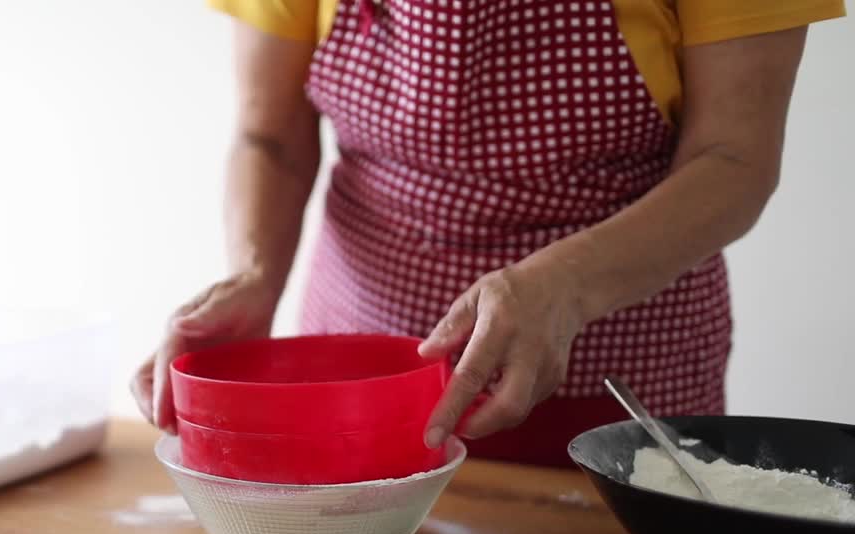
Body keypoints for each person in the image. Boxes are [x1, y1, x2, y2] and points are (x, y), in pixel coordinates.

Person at [132, 0, 846, 466]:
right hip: (359, 370)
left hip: (618, 368)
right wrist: (254, 275)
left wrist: (561, 286)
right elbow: (271, 135)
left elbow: (735, 161)